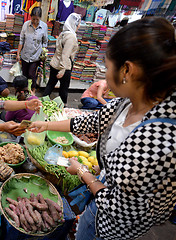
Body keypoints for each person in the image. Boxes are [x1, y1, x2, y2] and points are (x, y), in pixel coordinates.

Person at [29, 17, 176, 240]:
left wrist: (82, 172)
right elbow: (87, 122)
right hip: (102, 196)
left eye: (107, 67)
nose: (105, 75)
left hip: (113, 226)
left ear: (127, 70)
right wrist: (46, 124)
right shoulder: (127, 102)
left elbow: (120, 207)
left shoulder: (159, 141)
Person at [43, 13, 81, 105]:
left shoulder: (63, 33)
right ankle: (62, 106)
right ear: (74, 24)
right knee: (63, 89)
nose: (79, 26)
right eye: (78, 23)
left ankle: (42, 103)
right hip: (64, 66)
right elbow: (65, 55)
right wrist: (63, 69)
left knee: (50, 84)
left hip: (54, 63)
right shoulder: (71, 37)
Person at [16, 7, 48, 90]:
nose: (35, 21)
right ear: (30, 17)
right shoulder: (26, 25)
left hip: (36, 56)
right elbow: (21, 40)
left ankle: (33, 90)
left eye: (37, 19)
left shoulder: (44, 26)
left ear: (40, 18)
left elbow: (45, 41)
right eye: (33, 19)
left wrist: (43, 53)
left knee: (32, 74)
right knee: (24, 74)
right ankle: (25, 90)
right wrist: (18, 53)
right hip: (25, 55)